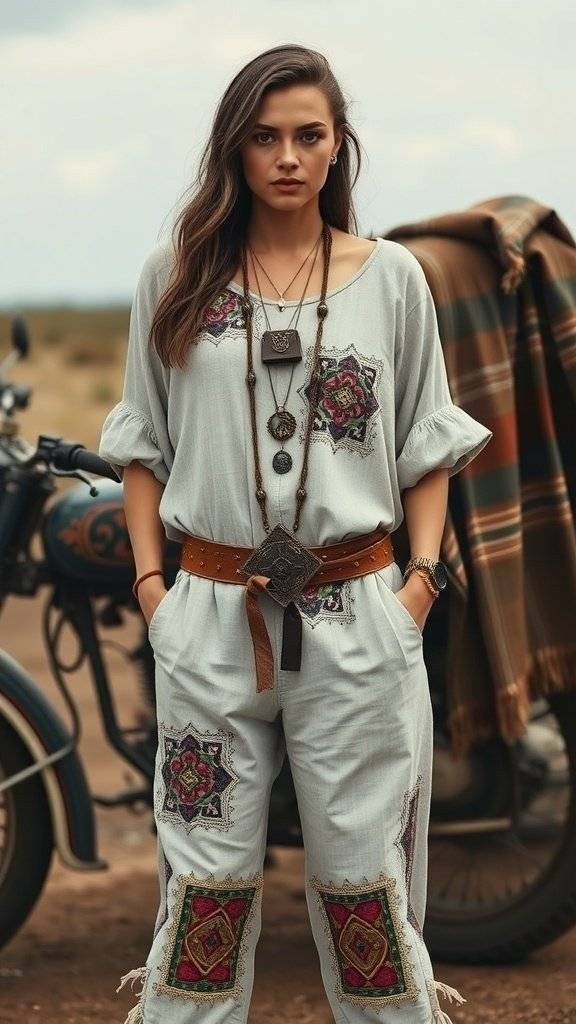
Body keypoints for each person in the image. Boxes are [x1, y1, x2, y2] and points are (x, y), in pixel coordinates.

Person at [99, 42, 492, 1024]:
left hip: (361, 617)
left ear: (336, 145)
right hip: (211, 616)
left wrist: (419, 590)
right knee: (205, 891)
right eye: (264, 136)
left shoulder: (393, 278)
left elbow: (427, 445)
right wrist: (157, 594)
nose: (286, 155)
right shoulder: (175, 276)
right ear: (233, 150)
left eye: (307, 135)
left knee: (366, 888)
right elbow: (142, 446)